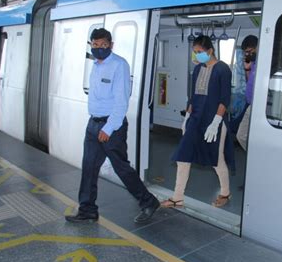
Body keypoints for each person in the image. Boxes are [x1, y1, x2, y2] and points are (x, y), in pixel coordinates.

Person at [65, 28, 160, 223]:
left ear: (111, 45)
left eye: (104, 45)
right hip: (93, 123)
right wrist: (95, 124)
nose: (99, 49)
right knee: (89, 167)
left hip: (111, 126)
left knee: (121, 168)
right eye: (95, 45)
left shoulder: (119, 65)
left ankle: (149, 201)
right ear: (91, 45)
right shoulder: (95, 65)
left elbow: (121, 102)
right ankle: (87, 210)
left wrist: (108, 128)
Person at [161, 35, 235, 209]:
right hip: (196, 119)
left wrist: (216, 122)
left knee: (217, 160)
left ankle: (225, 193)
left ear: (210, 51)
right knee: (183, 157)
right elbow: (193, 97)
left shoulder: (222, 69)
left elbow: (224, 99)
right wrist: (187, 118)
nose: (196, 56)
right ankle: (177, 197)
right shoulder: (197, 70)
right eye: (194, 52)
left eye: (199, 52)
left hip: (213, 121)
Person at [236, 35, 258, 151]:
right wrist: (247, 69)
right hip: (250, 104)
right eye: (246, 52)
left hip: (259, 107)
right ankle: (254, 157)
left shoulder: (264, 64)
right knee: (241, 135)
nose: (248, 54)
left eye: (250, 51)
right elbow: (249, 82)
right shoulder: (252, 64)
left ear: (257, 48)